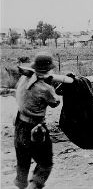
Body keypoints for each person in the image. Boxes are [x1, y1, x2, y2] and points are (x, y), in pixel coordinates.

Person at [14, 52, 60, 189]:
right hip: (35, 129)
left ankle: (21, 186)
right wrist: (50, 84)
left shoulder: (24, 78)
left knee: (23, 162)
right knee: (45, 164)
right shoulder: (45, 88)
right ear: (48, 69)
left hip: (19, 125)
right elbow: (55, 102)